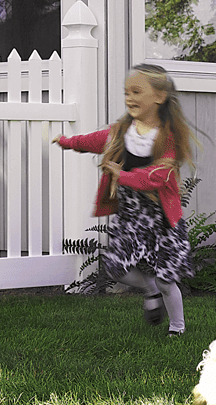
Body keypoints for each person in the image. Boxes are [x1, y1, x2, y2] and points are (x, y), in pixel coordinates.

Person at [55, 63, 196, 336]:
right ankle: (148, 288)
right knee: (115, 267)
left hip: (162, 220)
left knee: (168, 280)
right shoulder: (123, 130)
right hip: (131, 218)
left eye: (136, 92)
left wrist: (123, 176)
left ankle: (177, 327)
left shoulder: (168, 138)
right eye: (126, 92)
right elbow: (97, 140)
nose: (129, 98)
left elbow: (155, 178)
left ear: (159, 96)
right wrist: (69, 141)